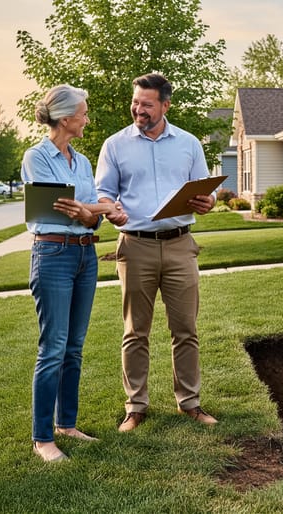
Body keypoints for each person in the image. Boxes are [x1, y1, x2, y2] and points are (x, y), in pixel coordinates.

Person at [96, 73, 218, 432]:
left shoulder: (189, 143)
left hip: (181, 244)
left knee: (186, 329)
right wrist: (109, 207)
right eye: (136, 103)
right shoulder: (115, 145)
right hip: (135, 247)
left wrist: (207, 201)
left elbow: (205, 191)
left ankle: (190, 403)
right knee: (135, 331)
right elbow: (103, 192)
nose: (139, 109)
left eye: (147, 104)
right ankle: (135, 407)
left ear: (165, 105)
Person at [21, 84, 127, 462]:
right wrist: (99, 210)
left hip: (86, 256)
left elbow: (90, 203)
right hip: (53, 254)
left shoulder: (80, 161)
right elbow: (64, 206)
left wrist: (107, 209)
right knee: (53, 348)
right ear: (66, 118)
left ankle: (67, 424)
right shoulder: (37, 157)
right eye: (83, 113)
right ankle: (43, 438)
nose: (86, 118)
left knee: (74, 348)